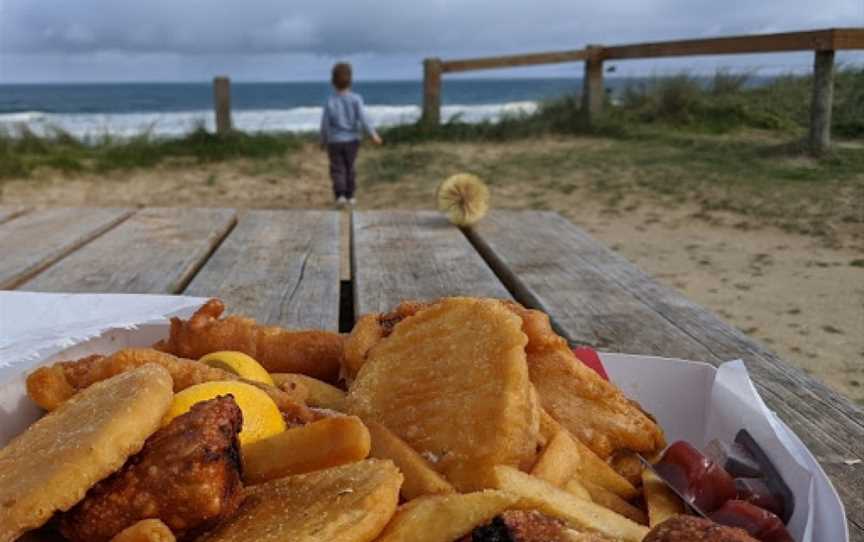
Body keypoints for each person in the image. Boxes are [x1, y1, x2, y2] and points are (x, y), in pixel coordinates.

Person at [320, 62, 382, 207]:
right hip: (352, 140)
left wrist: (323, 140)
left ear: (332, 82)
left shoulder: (330, 101)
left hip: (334, 141)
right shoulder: (356, 99)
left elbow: (325, 124)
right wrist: (373, 134)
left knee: (337, 168)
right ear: (351, 80)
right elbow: (363, 118)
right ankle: (351, 195)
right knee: (350, 167)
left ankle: (340, 195)